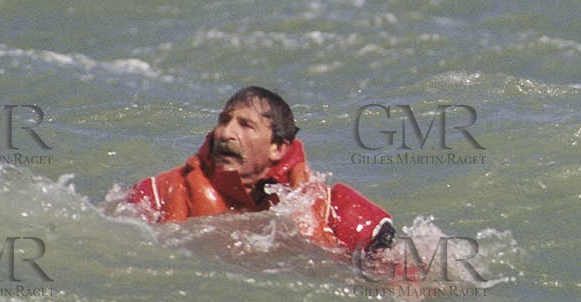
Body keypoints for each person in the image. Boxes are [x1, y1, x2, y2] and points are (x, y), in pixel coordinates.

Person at [126, 86, 397, 256]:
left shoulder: (332, 209)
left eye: (245, 125)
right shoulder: (158, 193)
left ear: (277, 147)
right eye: (224, 120)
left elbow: (397, 269)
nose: (226, 133)